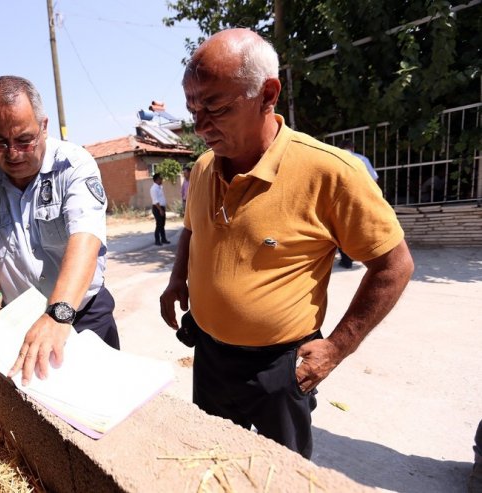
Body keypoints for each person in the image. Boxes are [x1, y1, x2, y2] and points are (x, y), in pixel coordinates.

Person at [159, 28, 414, 459]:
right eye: (193, 108)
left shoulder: (328, 172)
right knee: (214, 462)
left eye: (216, 108)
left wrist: (337, 347)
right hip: (209, 358)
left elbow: (395, 265)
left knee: (284, 473)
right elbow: (192, 229)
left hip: (281, 369)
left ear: (268, 93)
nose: (200, 126)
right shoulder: (203, 169)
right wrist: (176, 278)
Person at [0, 75, 119, 387]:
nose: (13, 153)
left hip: (82, 314)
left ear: (44, 126)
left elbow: (85, 241)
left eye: (24, 140)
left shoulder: (73, 166)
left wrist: (59, 315)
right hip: (19, 322)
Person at [337, 139, 379, 268]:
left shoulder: (334, 158)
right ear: (352, 148)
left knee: (341, 230)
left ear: (340, 147)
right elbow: (375, 178)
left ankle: (346, 260)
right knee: (361, 228)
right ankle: (363, 256)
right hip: (363, 198)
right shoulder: (363, 159)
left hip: (341, 200)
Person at [150, 173, 169, 245]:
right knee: (159, 224)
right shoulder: (153, 189)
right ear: (157, 179)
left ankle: (163, 239)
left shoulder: (160, 187)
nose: (162, 180)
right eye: (160, 179)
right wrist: (160, 210)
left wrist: (163, 208)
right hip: (157, 208)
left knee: (162, 224)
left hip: (161, 208)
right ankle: (157, 240)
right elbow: (155, 201)